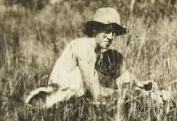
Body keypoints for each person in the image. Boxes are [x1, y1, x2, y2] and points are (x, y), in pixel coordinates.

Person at [25, 7, 155, 108]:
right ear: (94, 29)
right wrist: (124, 94)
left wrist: (139, 84)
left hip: (73, 101)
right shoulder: (83, 46)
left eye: (113, 33)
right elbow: (96, 94)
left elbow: (122, 77)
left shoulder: (99, 54)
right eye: (107, 30)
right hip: (54, 100)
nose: (110, 36)